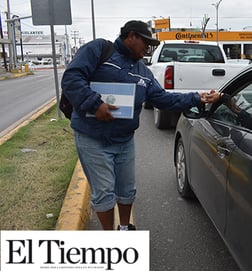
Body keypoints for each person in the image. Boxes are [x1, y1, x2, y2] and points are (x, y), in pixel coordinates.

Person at [61, 20, 221, 230]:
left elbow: (163, 99)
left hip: (124, 140)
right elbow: (72, 78)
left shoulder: (143, 72)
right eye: (146, 42)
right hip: (92, 139)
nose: (149, 48)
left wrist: (197, 98)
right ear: (131, 36)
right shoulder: (99, 50)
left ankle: (125, 227)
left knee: (127, 190)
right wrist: (94, 104)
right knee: (104, 192)